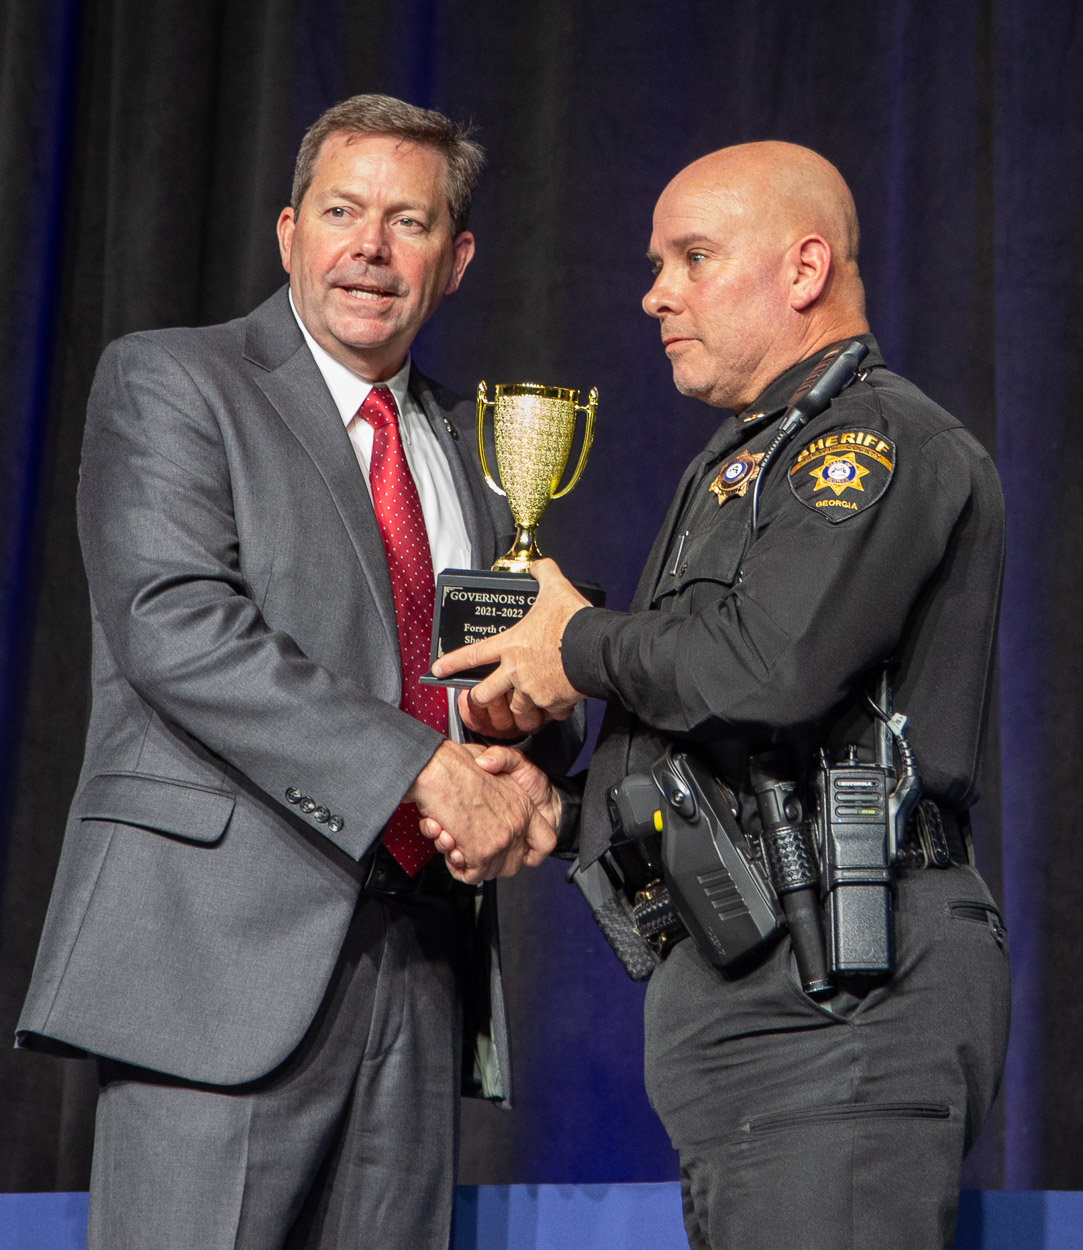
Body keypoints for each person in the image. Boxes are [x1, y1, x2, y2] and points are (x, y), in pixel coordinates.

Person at [429, 141, 1012, 1248]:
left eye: (693, 258)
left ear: (803, 270)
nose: (656, 293)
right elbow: (716, 735)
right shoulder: (743, 458)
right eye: (658, 264)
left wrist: (574, 643)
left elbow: (768, 669)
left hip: (845, 989)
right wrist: (563, 810)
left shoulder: (868, 443)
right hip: (759, 984)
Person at [17, 94, 568, 1250]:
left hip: (418, 969)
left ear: (457, 258)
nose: (371, 248)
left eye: (409, 222)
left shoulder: (472, 443)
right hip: (215, 969)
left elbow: (476, 669)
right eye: (341, 212)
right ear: (288, 233)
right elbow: (178, 627)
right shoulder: (174, 380)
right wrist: (424, 768)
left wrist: (523, 746)